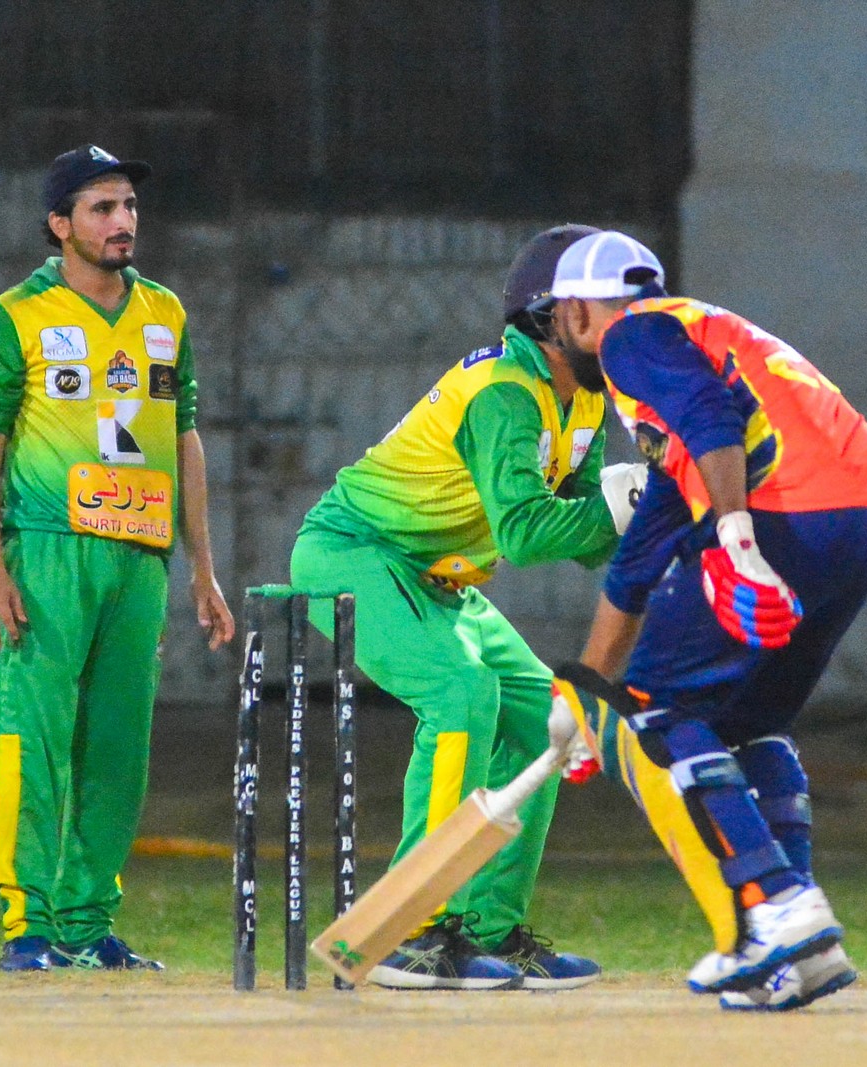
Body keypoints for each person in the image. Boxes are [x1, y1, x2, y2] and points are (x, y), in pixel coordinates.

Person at [544, 230, 867, 1011]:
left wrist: (736, 537)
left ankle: (772, 904)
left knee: (660, 710)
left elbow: (712, 420)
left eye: (557, 320)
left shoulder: (632, 337)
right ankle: (802, 945)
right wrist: (580, 697)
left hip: (785, 510)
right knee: (746, 723)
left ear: (575, 312)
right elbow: (638, 564)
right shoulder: (700, 339)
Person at [289, 225, 646, 990]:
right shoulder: (505, 392)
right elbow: (526, 532)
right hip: (356, 551)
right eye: (612, 308)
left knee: (542, 715)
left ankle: (489, 928)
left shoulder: (584, 399)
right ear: (555, 315)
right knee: (460, 691)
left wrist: (657, 522)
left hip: (438, 578)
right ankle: (411, 929)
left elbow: (585, 531)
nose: (630, 326)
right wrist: (628, 510)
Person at [0, 144, 235, 973]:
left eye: (129, 206)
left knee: (118, 748)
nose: (123, 221)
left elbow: (184, 438)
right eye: (102, 208)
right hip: (49, 548)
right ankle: (27, 924)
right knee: (33, 735)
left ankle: (86, 923)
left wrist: (203, 567)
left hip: (141, 556)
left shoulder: (165, 312)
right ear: (60, 224)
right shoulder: (16, 315)